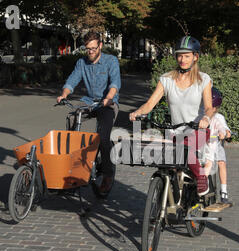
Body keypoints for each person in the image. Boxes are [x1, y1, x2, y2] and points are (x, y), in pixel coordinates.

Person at [129, 36, 214, 196]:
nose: (182, 59)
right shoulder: (167, 79)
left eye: (187, 56)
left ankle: (202, 179)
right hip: (176, 132)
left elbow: (209, 107)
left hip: (198, 131)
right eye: (180, 55)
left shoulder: (204, 80)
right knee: (167, 163)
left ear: (195, 57)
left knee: (186, 150)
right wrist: (137, 112)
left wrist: (206, 119)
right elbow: (149, 104)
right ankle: (170, 198)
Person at [57, 31, 121, 195]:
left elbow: (115, 82)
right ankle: (72, 169)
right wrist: (64, 94)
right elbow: (72, 80)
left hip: (108, 103)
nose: (91, 52)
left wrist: (108, 98)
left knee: (103, 137)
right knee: (72, 121)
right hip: (89, 102)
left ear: (100, 46)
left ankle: (107, 174)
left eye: (93, 48)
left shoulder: (110, 61)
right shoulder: (82, 62)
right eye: (88, 49)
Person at [203, 88, 232, 206]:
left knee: (221, 162)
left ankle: (224, 191)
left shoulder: (218, 117)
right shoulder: (199, 115)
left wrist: (225, 133)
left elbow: (224, 129)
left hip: (214, 143)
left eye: (213, 107)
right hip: (201, 145)